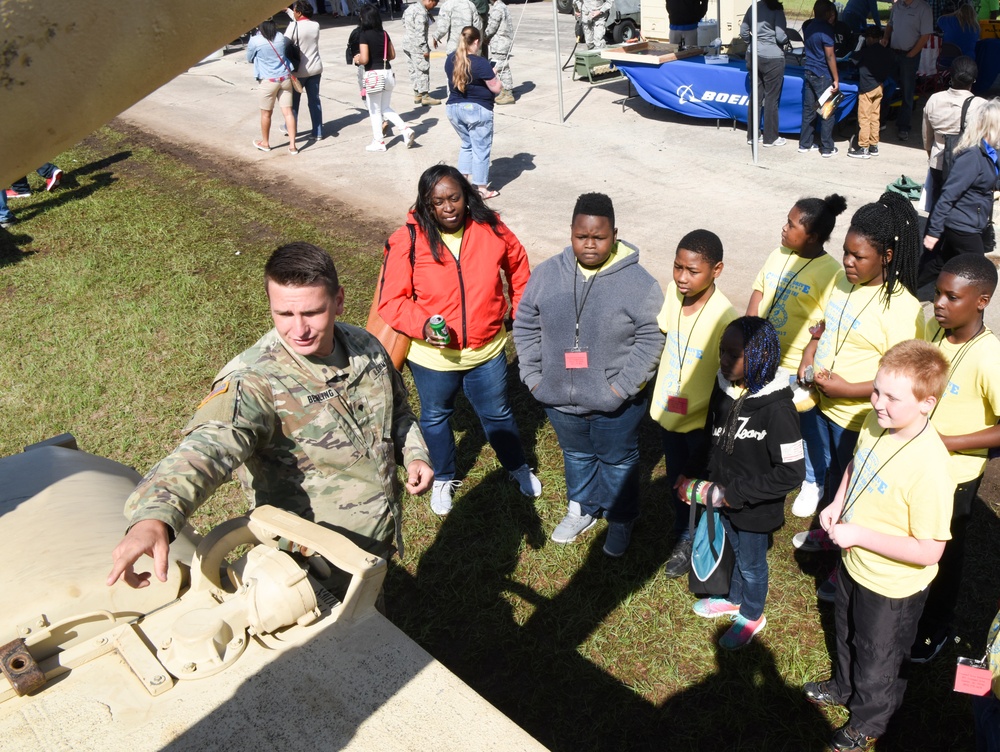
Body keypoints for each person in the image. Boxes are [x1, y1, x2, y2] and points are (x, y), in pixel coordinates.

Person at [106, 242, 434, 589]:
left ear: (338, 301)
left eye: (312, 312)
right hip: (310, 562)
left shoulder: (365, 346)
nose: (299, 330)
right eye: (284, 314)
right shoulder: (254, 380)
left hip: (374, 538)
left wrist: (413, 454)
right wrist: (155, 515)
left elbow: (397, 411)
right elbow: (209, 445)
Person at [804, 339, 953, 752]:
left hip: (892, 588)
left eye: (892, 397)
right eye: (876, 390)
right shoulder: (877, 422)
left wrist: (860, 535)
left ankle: (869, 721)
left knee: (879, 656)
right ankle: (843, 685)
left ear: (927, 403)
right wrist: (837, 502)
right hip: (856, 566)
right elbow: (856, 464)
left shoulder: (931, 469)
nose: (878, 403)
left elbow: (930, 550)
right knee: (847, 630)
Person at [376, 165, 541, 516]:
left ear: (467, 197)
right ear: (426, 204)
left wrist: (519, 309)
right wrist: (423, 326)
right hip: (433, 358)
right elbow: (392, 301)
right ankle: (444, 476)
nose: (448, 207)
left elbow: (518, 264)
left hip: (488, 350)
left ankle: (517, 467)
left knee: (497, 413)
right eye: (439, 201)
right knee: (436, 417)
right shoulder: (407, 239)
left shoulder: (491, 228)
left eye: (454, 197)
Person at [514, 193, 665, 556]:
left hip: (615, 402)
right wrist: (534, 376)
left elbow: (652, 338)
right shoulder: (548, 274)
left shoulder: (640, 283)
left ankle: (620, 517)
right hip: (557, 396)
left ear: (615, 234)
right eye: (582, 236)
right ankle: (582, 508)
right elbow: (525, 322)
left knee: (617, 461)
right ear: (571, 233)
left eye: (599, 237)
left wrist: (621, 388)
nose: (590, 244)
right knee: (577, 454)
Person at [794, 192, 927, 602]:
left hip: (858, 418)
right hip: (823, 405)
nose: (848, 263)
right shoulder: (841, 281)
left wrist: (849, 389)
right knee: (833, 476)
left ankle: (844, 563)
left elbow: (900, 376)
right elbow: (825, 326)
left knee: (855, 489)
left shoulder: (903, 310)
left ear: (887, 256)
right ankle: (830, 529)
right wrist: (810, 354)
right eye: (846, 253)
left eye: (859, 257)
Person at [681, 317, 805, 650]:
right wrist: (696, 477)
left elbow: (792, 472)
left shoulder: (778, 409)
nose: (723, 360)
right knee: (734, 551)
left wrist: (733, 493)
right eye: (723, 351)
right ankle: (734, 599)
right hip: (722, 498)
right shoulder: (723, 387)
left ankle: (752, 614)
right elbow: (711, 438)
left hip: (754, 508)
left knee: (752, 564)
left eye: (733, 354)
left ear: (761, 357)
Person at [911, 254, 1000, 662]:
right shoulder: (934, 330)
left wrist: (948, 441)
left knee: (944, 554)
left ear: (981, 301)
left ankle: (935, 630)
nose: (939, 304)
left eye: (952, 297)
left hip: (956, 476)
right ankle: (908, 614)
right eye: (937, 293)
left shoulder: (989, 357)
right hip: (916, 464)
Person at [747, 195, 845, 519]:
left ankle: (813, 480)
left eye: (791, 225)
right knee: (767, 419)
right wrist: (748, 331)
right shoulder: (778, 254)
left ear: (813, 237)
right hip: (765, 360)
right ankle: (771, 466)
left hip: (794, 369)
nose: (784, 228)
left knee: (806, 426)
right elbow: (760, 290)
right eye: (786, 221)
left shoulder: (831, 273)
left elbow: (829, 321)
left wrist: (811, 355)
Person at [652, 230, 737, 577]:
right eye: (677, 268)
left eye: (692, 271)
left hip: (701, 422)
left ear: (716, 270)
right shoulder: (675, 293)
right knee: (676, 478)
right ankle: (682, 531)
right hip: (669, 413)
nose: (682, 278)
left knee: (696, 481)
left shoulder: (726, 318)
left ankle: (691, 540)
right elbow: (665, 331)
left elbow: (729, 379)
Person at [923, 99, 1000, 265]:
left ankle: (904, 286)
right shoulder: (972, 156)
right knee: (979, 269)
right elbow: (948, 194)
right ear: (993, 126)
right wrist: (934, 232)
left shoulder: (990, 153)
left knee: (940, 264)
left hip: (971, 221)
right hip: (962, 225)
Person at [921, 56, 985, 217]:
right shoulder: (982, 105)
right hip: (967, 166)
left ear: (950, 76)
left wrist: (932, 155)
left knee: (938, 209)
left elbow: (927, 138)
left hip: (938, 163)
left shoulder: (934, 99)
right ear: (973, 80)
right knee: (962, 211)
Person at [444, 26, 502, 200]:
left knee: (467, 144)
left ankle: (461, 184)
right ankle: (481, 189)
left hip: (454, 108)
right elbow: (496, 89)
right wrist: (494, 74)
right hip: (476, 110)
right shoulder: (480, 62)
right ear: (476, 42)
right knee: (481, 149)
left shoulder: (449, 59)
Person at [354, 4, 417, 152]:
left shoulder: (364, 35)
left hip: (374, 75)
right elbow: (392, 55)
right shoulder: (384, 34)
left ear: (364, 18)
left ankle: (379, 141)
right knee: (385, 107)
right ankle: (405, 129)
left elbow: (364, 59)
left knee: (374, 110)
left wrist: (357, 59)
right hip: (387, 73)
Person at [883, 0, 933, 141]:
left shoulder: (924, 8)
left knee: (907, 92)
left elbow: (925, 35)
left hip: (909, 55)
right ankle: (881, 121)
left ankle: (903, 126)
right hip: (893, 53)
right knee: (887, 87)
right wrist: (886, 37)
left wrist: (912, 53)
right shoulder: (898, 5)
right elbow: (890, 24)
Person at [740, 0, 789, 147]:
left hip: (753, 53)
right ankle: (771, 137)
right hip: (772, 57)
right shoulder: (776, 9)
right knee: (771, 99)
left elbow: (743, 31)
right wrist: (787, 39)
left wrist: (752, 42)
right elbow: (780, 36)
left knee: (755, 96)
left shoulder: (753, 7)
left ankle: (752, 135)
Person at [246, 19, 299, 154]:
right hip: (285, 78)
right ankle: (293, 146)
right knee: (288, 112)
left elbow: (249, 58)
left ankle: (265, 143)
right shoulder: (281, 37)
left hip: (268, 80)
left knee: (266, 114)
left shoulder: (255, 40)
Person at [798, 0, 840, 158]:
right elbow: (830, 56)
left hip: (809, 71)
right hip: (823, 73)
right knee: (827, 111)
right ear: (829, 13)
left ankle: (805, 144)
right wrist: (836, 78)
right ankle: (827, 147)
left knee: (809, 110)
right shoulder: (827, 30)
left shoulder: (808, 26)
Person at [847, 25, 894, 159]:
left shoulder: (865, 52)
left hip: (866, 89)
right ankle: (874, 145)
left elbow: (852, 60)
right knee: (875, 117)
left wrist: (859, 46)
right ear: (880, 37)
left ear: (867, 38)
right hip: (879, 86)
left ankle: (863, 148)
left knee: (864, 118)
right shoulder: (887, 52)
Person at [284, 1, 325, 141]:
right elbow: (300, 23)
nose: (293, 12)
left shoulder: (292, 26)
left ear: (299, 12)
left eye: (294, 10)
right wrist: (288, 11)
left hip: (298, 72)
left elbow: (284, 44)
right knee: (315, 101)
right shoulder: (316, 25)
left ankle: (290, 129)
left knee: (294, 103)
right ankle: (318, 131)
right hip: (315, 69)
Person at [402, 0, 443, 106]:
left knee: (413, 70)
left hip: (407, 44)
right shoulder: (421, 12)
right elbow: (420, 32)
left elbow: (404, 23)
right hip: (417, 46)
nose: (434, 6)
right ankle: (425, 96)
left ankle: (417, 94)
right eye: (434, 3)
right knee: (423, 70)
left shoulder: (410, 8)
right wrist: (424, 48)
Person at [485, 0, 516, 105]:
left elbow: (492, 27)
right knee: (501, 66)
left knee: (503, 67)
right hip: (503, 41)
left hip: (500, 42)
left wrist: (484, 36)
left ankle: (508, 93)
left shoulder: (498, 8)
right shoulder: (503, 6)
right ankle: (504, 90)